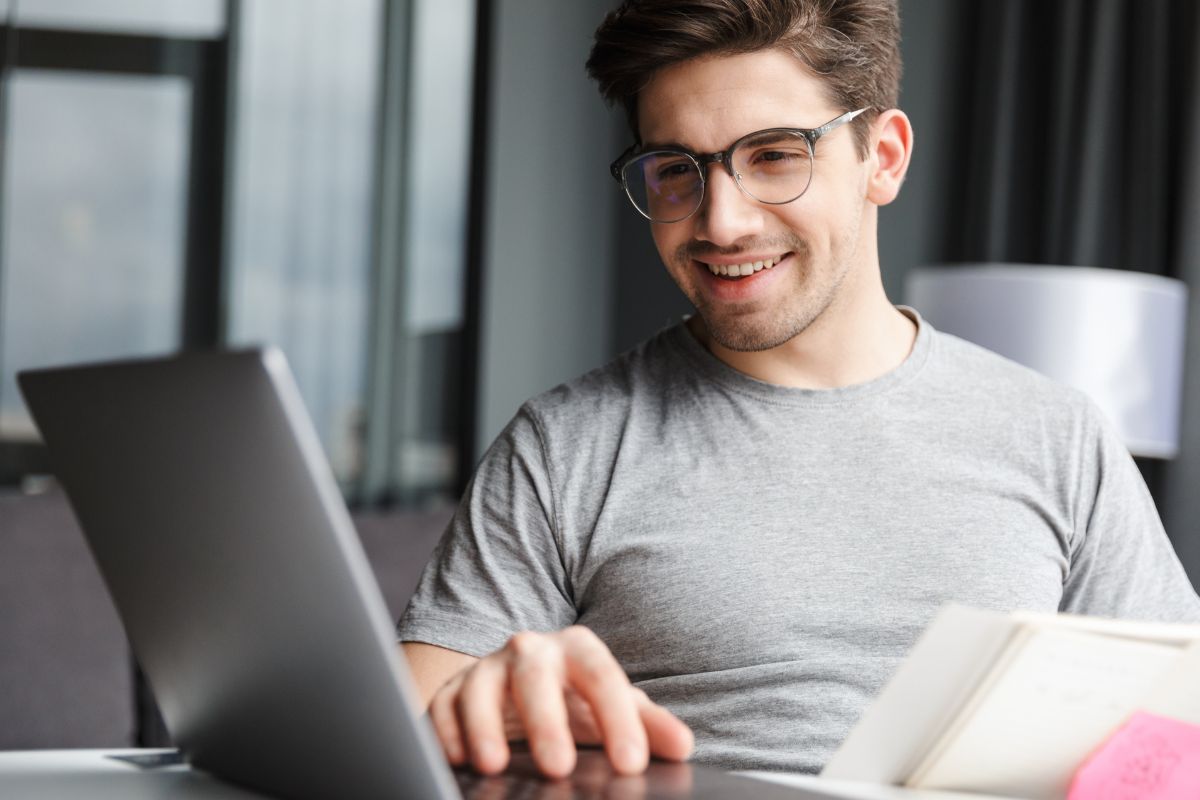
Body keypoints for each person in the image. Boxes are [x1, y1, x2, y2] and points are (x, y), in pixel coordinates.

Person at [397, 0, 1200, 781]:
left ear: (881, 158)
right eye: (676, 169)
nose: (721, 222)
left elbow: (1179, 732)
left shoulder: (1057, 436)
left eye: (775, 154)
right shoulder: (565, 445)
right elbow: (392, 734)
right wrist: (483, 700)